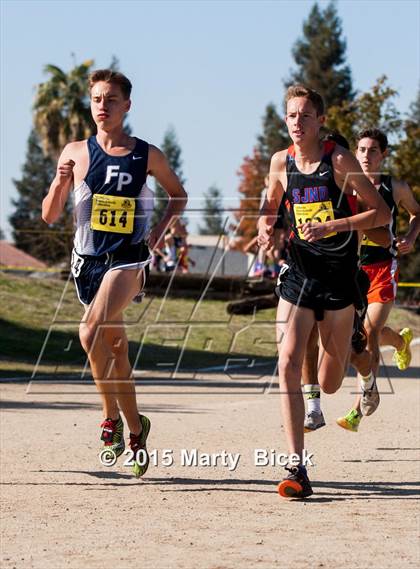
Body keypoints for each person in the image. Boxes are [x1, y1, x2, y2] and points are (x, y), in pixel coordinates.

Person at [42, 69, 187, 477]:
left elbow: (179, 196)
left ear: (127, 105)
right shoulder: (75, 151)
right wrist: (59, 183)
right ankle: (138, 427)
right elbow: (50, 215)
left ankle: (110, 419)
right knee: (116, 351)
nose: (102, 106)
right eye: (96, 100)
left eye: (110, 99)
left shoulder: (147, 154)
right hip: (87, 261)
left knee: (88, 332)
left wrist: (157, 233)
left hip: (128, 259)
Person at [257, 85, 390, 498]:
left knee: (330, 383)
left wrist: (334, 226)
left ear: (321, 121)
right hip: (298, 274)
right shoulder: (281, 161)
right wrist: (265, 227)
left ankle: (354, 349)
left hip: (337, 279)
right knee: (288, 363)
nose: (298, 123)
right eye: (292, 116)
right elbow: (271, 206)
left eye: (306, 116)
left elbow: (381, 214)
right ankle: (297, 466)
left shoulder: (338, 159)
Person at [336, 128, 419, 431]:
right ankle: (400, 340)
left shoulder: (395, 186)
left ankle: (360, 407)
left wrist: (410, 237)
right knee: (362, 334)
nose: (366, 156)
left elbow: (417, 213)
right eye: (361, 150)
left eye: (373, 151)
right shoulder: (347, 187)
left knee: (369, 331)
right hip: (355, 270)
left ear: (384, 154)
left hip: (384, 267)